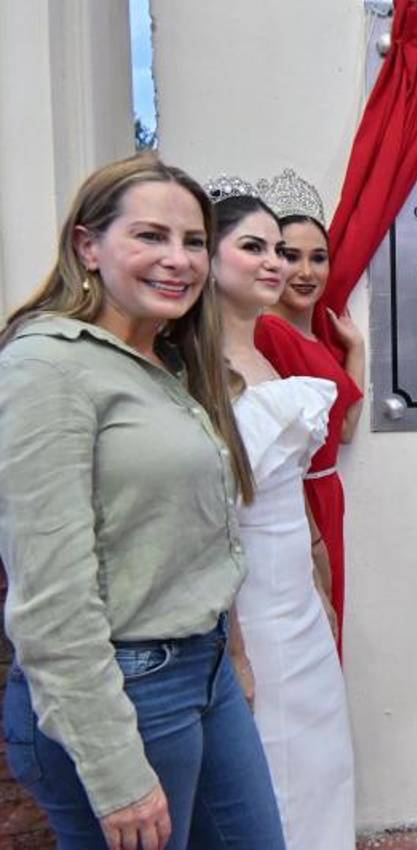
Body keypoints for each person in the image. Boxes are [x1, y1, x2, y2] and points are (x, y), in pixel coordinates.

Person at [0, 154, 286, 850]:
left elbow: (201, 534)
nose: (178, 260)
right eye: (150, 237)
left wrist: (234, 651)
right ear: (87, 246)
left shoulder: (169, 361)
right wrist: (112, 768)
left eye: (192, 241)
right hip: (123, 690)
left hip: (204, 669)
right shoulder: (48, 367)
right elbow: (50, 598)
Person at [207, 181, 356, 849]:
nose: (276, 262)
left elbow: (292, 482)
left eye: (279, 248)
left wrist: (319, 583)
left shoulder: (268, 354)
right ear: (207, 257)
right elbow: (209, 516)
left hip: (296, 593)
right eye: (253, 247)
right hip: (249, 600)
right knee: (270, 768)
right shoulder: (195, 366)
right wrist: (231, 643)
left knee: (321, 758)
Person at [253, 169, 364, 654]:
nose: (305, 271)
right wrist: (312, 545)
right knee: (311, 630)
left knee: (330, 626)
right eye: (289, 256)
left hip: (327, 494)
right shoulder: (268, 334)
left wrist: (355, 349)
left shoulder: (314, 334)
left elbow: (346, 429)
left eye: (318, 258)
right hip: (298, 502)